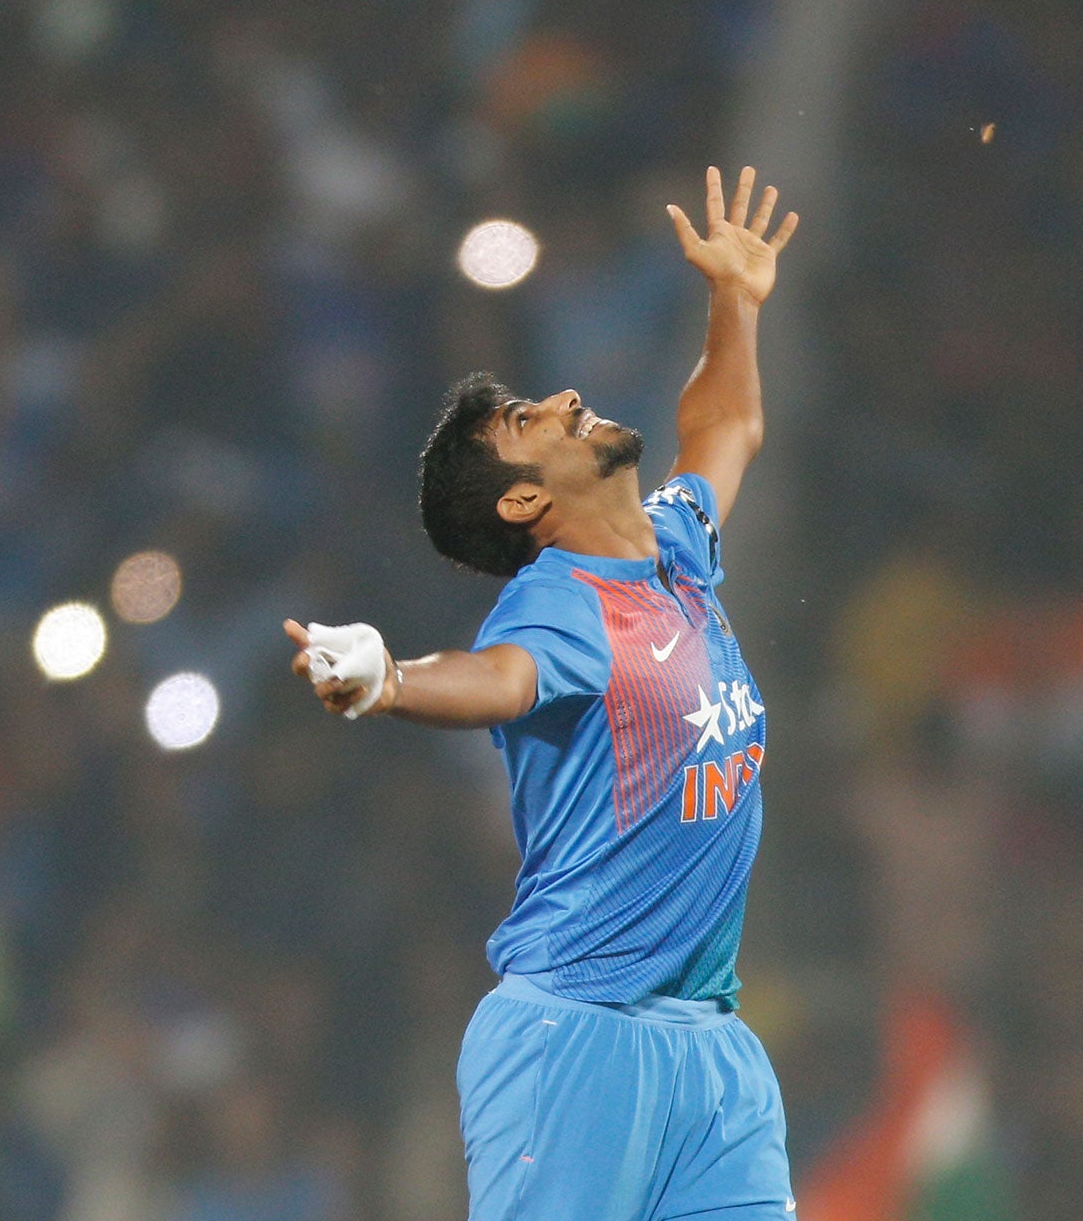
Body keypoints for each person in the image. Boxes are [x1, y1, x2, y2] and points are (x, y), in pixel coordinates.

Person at [282, 166, 800, 1221]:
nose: (565, 399)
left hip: (710, 1046)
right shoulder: (559, 606)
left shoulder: (675, 545)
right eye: (530, 419)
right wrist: (389, 681)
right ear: (522, 501)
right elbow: (498, 680)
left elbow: (725, 428)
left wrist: (732, 301)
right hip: (577, 1038)